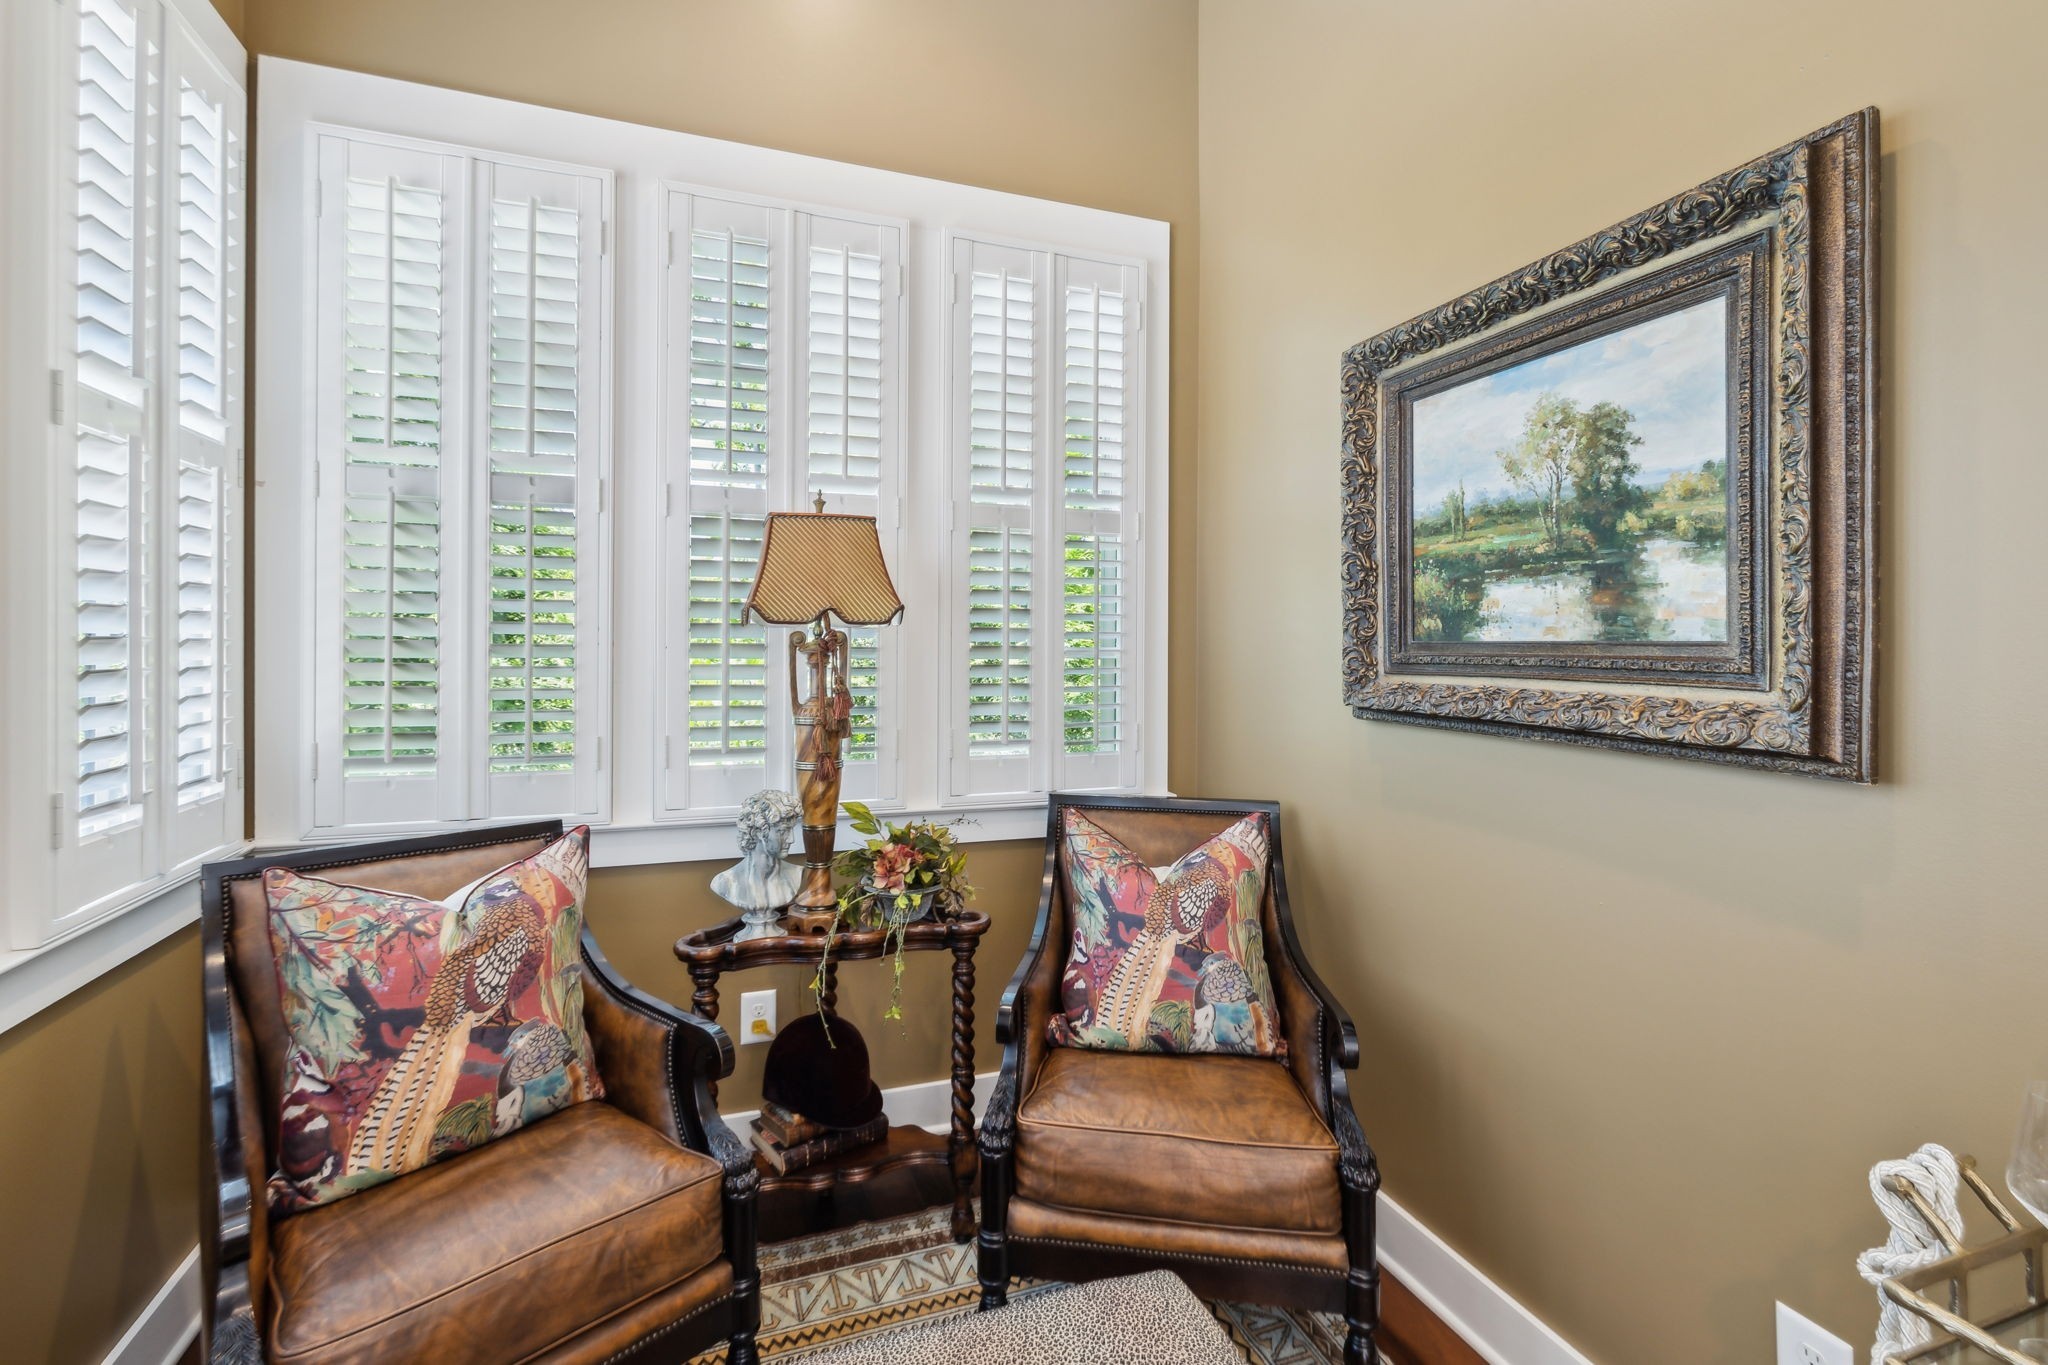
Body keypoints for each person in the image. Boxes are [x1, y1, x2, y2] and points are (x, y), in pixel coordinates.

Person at [713, 789, 803, 938]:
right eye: (783, 832)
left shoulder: (795, 875)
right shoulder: (725, 882)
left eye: (791, 830)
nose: (791, 839)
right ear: (760, 832)